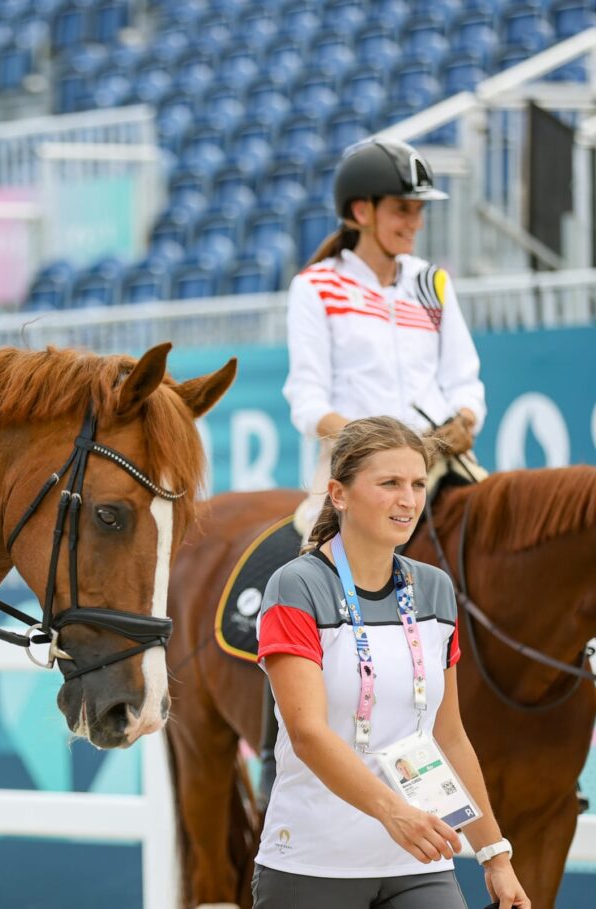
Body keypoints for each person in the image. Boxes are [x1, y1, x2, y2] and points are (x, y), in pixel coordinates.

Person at [257, 137, 488, 804]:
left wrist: (460, 423)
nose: (413, 221)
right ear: (360, 209)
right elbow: (307, 396)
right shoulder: (316, 287)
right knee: (293, 557)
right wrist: (369, 445)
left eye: (418, 210)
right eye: (402, 208)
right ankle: (277, 727)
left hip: (438, 460)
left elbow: (465, 381)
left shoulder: (432, 282)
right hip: (354, 467)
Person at [253, 417, 529, 909]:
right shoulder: (296, 586)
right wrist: (393, 814)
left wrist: (494, 855)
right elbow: (308, 734)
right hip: (313, 865)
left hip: (418, 865)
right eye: (390, 484)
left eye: (418, 484)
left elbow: (449, 735)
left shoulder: (435, 589)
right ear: (338, 493)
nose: (408, 499)